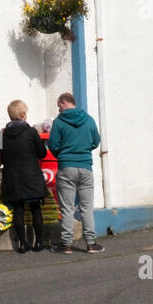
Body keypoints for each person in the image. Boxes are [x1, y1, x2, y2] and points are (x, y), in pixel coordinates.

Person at [48, 91, 103, 254]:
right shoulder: (89, 119)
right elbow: (96, 142)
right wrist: (83, 151)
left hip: (66, 168)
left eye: (59, 106)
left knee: (67, 209)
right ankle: (91, 243)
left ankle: (66, 245)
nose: (58, 110)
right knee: (87, 208)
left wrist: (64, 155)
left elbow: (52, 145)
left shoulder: (59, 122)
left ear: (64, 103)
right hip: (86, 168)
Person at [0, 99, 49, 253]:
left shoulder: (1, 134)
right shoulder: (31, 132)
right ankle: (38, 243)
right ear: (23, 115)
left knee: (18, 210)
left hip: (12, 179)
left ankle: (23, 244)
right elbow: (42, 153)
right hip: (31, 177)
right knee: (35, 209)